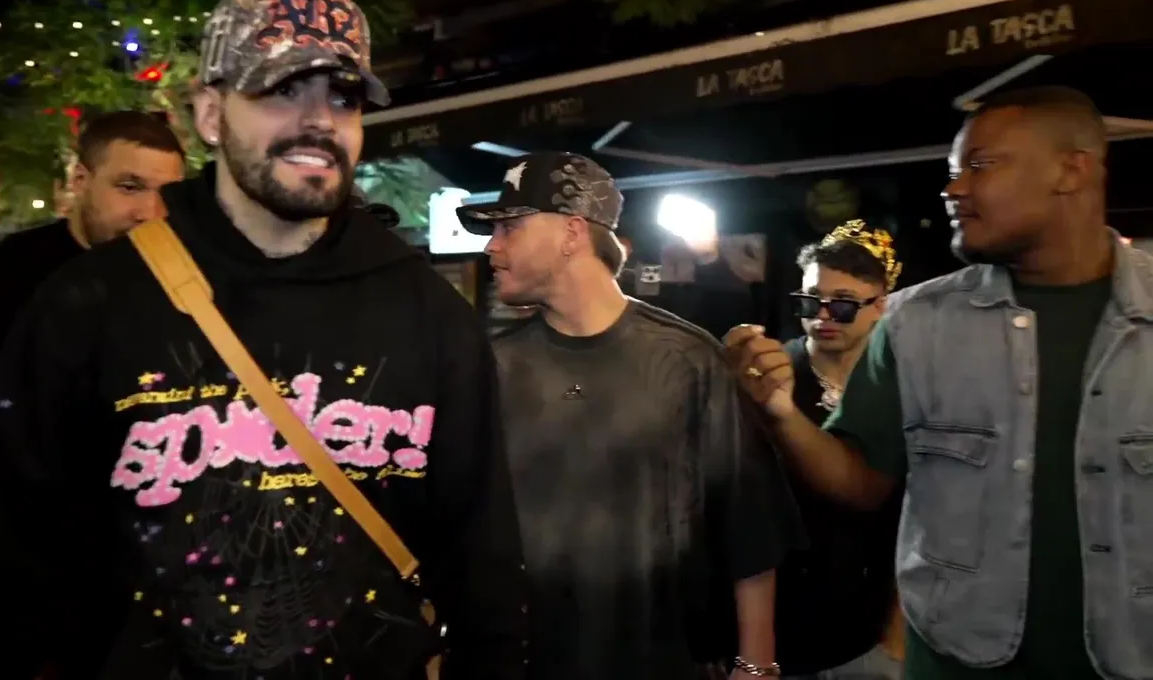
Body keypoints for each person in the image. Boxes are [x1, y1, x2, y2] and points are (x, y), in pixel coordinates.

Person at [0, 0, 525, 680]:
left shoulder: (428, 312)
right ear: (211, 114)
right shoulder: (91, 301)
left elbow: (482, 555)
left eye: (344, 97)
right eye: (284, 89)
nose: (319, 121)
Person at [725, 85, 1152, 680]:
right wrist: (779, 412)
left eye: (981, 165)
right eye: (954, 173)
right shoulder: (915, 323)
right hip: (950, 662)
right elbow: (862, 482)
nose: (954, 190)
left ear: (1070, 170)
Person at [458, 151, 800, 680]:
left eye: (509, 227)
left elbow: (748, 525)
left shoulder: (687, 360)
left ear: (572, 233)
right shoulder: (491, 365)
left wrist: (756, 666)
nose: (491, 247)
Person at [0, 110, 187, 525]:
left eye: (166, 193)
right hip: (12, 532)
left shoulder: (185, 282)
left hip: (143, 536)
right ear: (80, 180)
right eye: (129, 187)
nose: (149, 212)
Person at [775, 220, 903, 680]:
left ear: (881, 305)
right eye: (812, 301)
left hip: (875, 627)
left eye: (844, 304)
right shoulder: (770, 377)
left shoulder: (904, 384)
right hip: (783, 626)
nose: (823, 316)